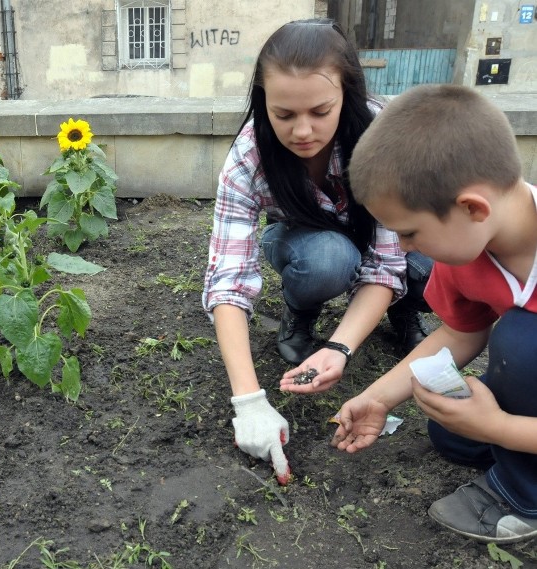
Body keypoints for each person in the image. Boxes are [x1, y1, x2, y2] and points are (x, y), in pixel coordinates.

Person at [202, 18, 431, 481]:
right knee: (328, 259)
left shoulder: (380, 138)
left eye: (320, 111)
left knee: (422, 257)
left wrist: (340, 349)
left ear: (346, 93)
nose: (302, 131)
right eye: (283, 114)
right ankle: (300, 311)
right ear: (262, 100)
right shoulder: (249, 156)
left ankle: (404, 314)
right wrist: (248, 402)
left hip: (384, 242)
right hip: (306, 242)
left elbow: (387, 264)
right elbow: (227, 278)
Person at [331, 84, 537, 543]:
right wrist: (379, 399)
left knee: (523, 343)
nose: (403, 248)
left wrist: (500, 426)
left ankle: (526, 495)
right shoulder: (467, 250)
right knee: (450, 430)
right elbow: (460, 332)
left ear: (472, 207)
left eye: (408, 233)